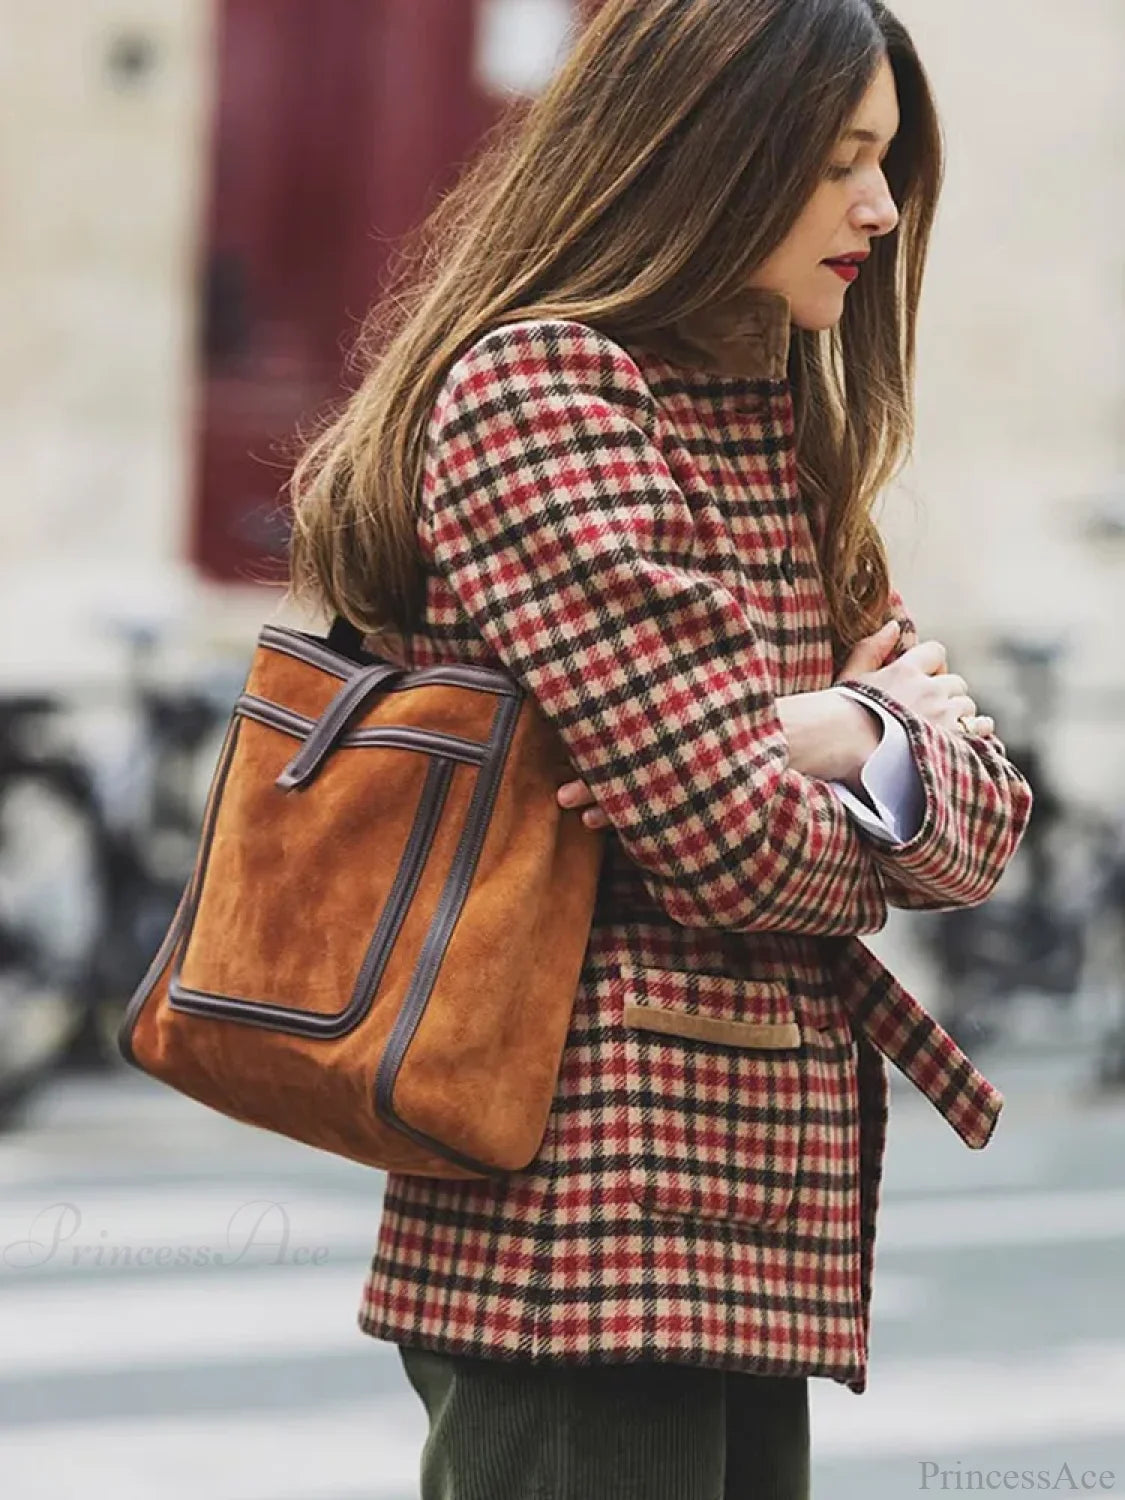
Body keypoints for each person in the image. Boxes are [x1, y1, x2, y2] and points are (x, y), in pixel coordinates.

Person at [287, 1, 1034, 1495]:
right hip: (583, 1208)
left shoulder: (774, 427)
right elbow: (728, 841)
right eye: (840, 161)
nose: (881, 211)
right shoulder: (542, 399)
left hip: (750, 1214)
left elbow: (987, 820)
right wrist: (847, 754)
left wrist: (842, 729)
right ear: (708, 152)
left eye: (886, 164)